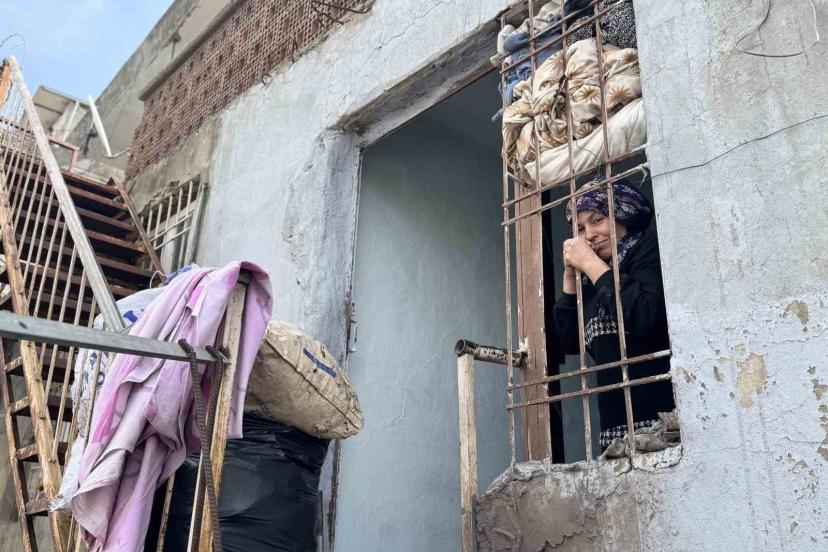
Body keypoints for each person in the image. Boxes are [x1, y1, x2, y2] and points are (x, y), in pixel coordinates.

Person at [552, 179, 674, 450]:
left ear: (621, 215)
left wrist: (590, 264)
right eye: (580, 228)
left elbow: (645, 315)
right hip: (615, 434)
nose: (589, 234)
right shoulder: (595, 278)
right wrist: (570, 278)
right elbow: (568, 342)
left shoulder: (646, 250)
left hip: (660, 426)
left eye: (597, 220)